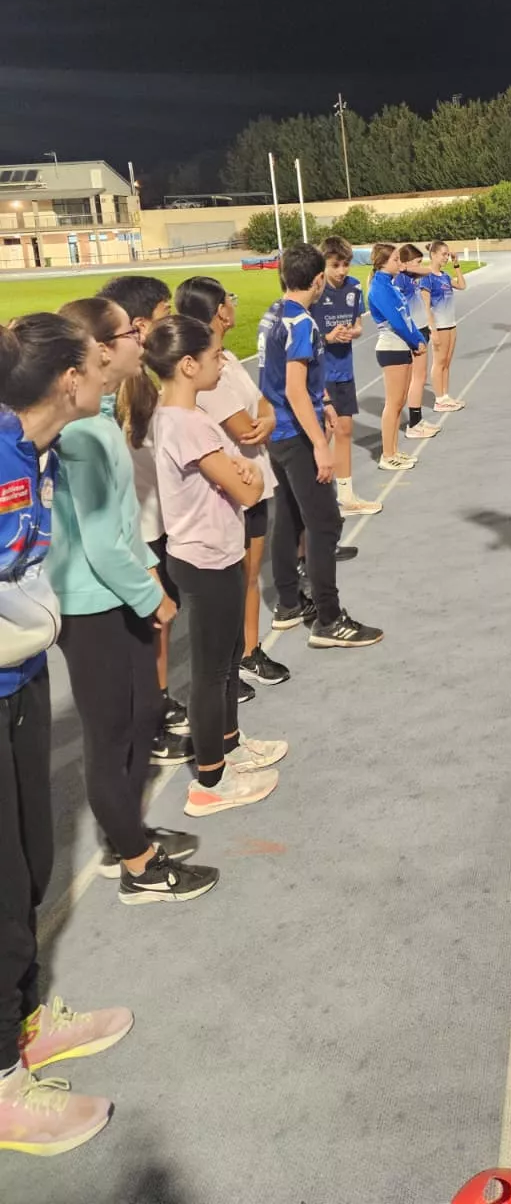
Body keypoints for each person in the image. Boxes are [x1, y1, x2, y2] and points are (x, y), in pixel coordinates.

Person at [0, 312, 132, 1156]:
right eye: (97, 360)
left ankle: (23, 1020)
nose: (110, 366)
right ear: (68, 383)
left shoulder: (37, 452)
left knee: (34, 867)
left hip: (18, 683)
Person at [50, 298, 217, 904]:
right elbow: (98, 538)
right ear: (99, 349)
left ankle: (128, 833)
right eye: (129, 330)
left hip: (112, 592)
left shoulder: (95, 422)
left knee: (142, 713)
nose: (139, 336)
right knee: (112, 732)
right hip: (93, 603)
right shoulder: (85, 434)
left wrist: (145, 572)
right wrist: (152, 595)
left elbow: (118, 528)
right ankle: (137, 864)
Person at [144, 315, 287, 817]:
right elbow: (247, 487)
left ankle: (228, 743)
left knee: (226, 661)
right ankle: (209, 780)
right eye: (213, 357)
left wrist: (240, 474)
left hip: (216, 552)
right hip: (203, 559)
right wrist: (242, 475)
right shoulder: (185, 422)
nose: (223, 360)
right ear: (188, 365)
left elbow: (239, 477)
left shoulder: (182, 418)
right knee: (210, 671)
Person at [260, 243, 383, 650]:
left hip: (278, 432)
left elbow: (290, 382)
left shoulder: (271, 315)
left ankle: (289, 603)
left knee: (290, 518)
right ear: (315, 281)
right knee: (325, 522)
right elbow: (296, 389)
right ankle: (329, 619)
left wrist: (325, 401)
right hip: (295, 433)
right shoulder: (302, 322)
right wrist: (319, 444)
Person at [175, 277, 292, 691]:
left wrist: (271, 417)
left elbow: (262, 404)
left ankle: (247, 651)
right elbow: (246, 428)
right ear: (220, 312)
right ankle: (233, 660)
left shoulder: (223, 358)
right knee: (237, 578)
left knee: (249, 574)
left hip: (252, 481)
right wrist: (265, 420)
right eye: (230, 300)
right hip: (233, 483)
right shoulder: (209, 367)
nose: (234, 305)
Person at [100, 276, 193, 744]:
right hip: (134, 534)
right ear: (138, 325)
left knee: (154, 630)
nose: (172, 317)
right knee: (142, 629)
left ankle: (155, 702)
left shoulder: (140, 384)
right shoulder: (105, 405)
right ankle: (148, 717)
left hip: (150, 527)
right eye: (165, 309)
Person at [313, 236, 382, 515]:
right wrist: (326, 337)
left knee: (345, 430)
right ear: (324, 265)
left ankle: (346, 495)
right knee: (322, 435)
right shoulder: (315, 292)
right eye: (335, 265)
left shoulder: (354, 288)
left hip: (344, 369)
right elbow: (306, 336)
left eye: (346, 264)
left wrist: (353, 331)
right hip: (320, 373)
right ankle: (314, 496)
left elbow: (358, 325)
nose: (342, 271)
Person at [366, 242, 422, 471]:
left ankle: (394, 450)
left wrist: (419, 337)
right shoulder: (379, 288)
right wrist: (414, 341)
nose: (400, 263)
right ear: (383, 262)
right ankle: (387, 455)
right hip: (391, 347)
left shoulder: (391, 285)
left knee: (399, 403)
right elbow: (397, 322)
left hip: (402, 347)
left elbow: (407, 317)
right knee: (393, 403)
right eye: (396, 260)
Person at [395, 244, 440, 438]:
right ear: (404, 262)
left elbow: (428, 270)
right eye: (417, 261)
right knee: (417, 378)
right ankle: (413, 423)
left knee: (419, 378)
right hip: (413, 330)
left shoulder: (412, 275)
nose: (420, 265)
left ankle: (417, 419)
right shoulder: (401, 279)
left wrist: (409, 267)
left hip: (421, 327)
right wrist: (404, 268)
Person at [424, 240, 467, 411]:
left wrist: (457, 264)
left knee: (447, 362)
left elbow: (462, 285)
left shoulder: (445, 276)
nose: (446, 258)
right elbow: (425, 306)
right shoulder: (427, 278)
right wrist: (432, 329)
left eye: (448, 255)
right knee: (439, 361)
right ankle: (439, 399)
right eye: (444, 254)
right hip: (439, 326)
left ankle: (446, 395)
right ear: (433, 255)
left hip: (451, 324)